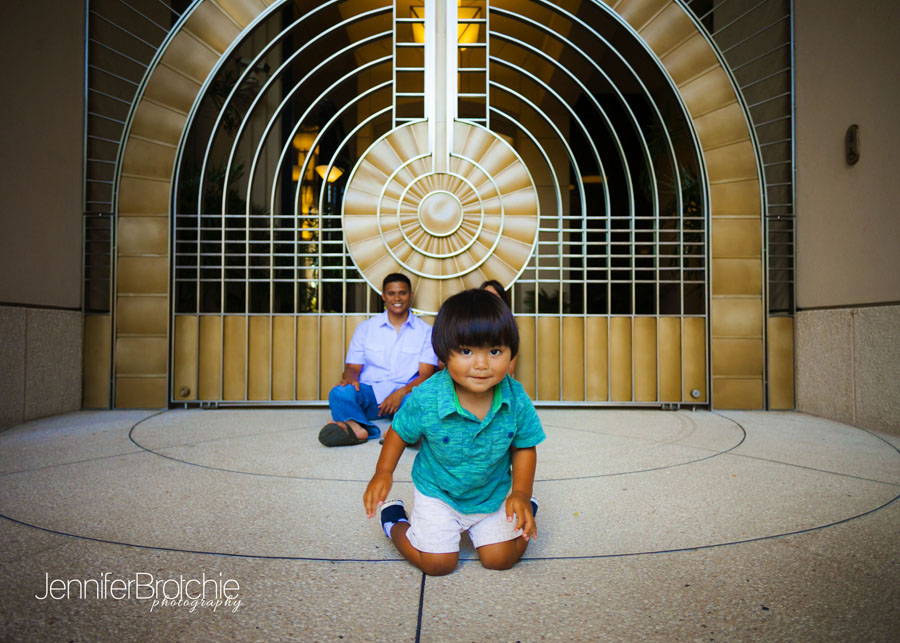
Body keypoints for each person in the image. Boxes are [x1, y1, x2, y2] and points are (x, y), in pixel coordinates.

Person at [363, 289, 545, 575]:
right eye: (466, 351)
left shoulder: (516, 397)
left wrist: (521, 492)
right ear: (443, 352)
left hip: (491, 494)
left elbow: (523, 446)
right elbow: (399, 432)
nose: (482, 364)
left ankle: (526, 507)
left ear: (512, 352)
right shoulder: (426, 397)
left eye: (495, 351)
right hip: (438, 493)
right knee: (438, 564)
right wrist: (383, 472)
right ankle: (394, 521)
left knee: (500, 559)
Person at [318, 273, 438, 447]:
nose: (397, 298)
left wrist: (401, 392)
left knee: (419, 400)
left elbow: (426, 375)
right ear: (383, 296)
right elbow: (353, 367)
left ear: (410, 296)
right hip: (371, 393)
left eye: (402, 293)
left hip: (405, 396)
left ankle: (395, 429)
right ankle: (361, 429)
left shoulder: (426, 332)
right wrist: (350, 377)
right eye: (391, 293)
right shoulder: (366, 328)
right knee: (339, 392)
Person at [479, 280, 518, 376]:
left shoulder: (508, 328)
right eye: (486, 297)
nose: (490, 301)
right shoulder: (469, 325)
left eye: (495, 297)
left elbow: (509, 370)